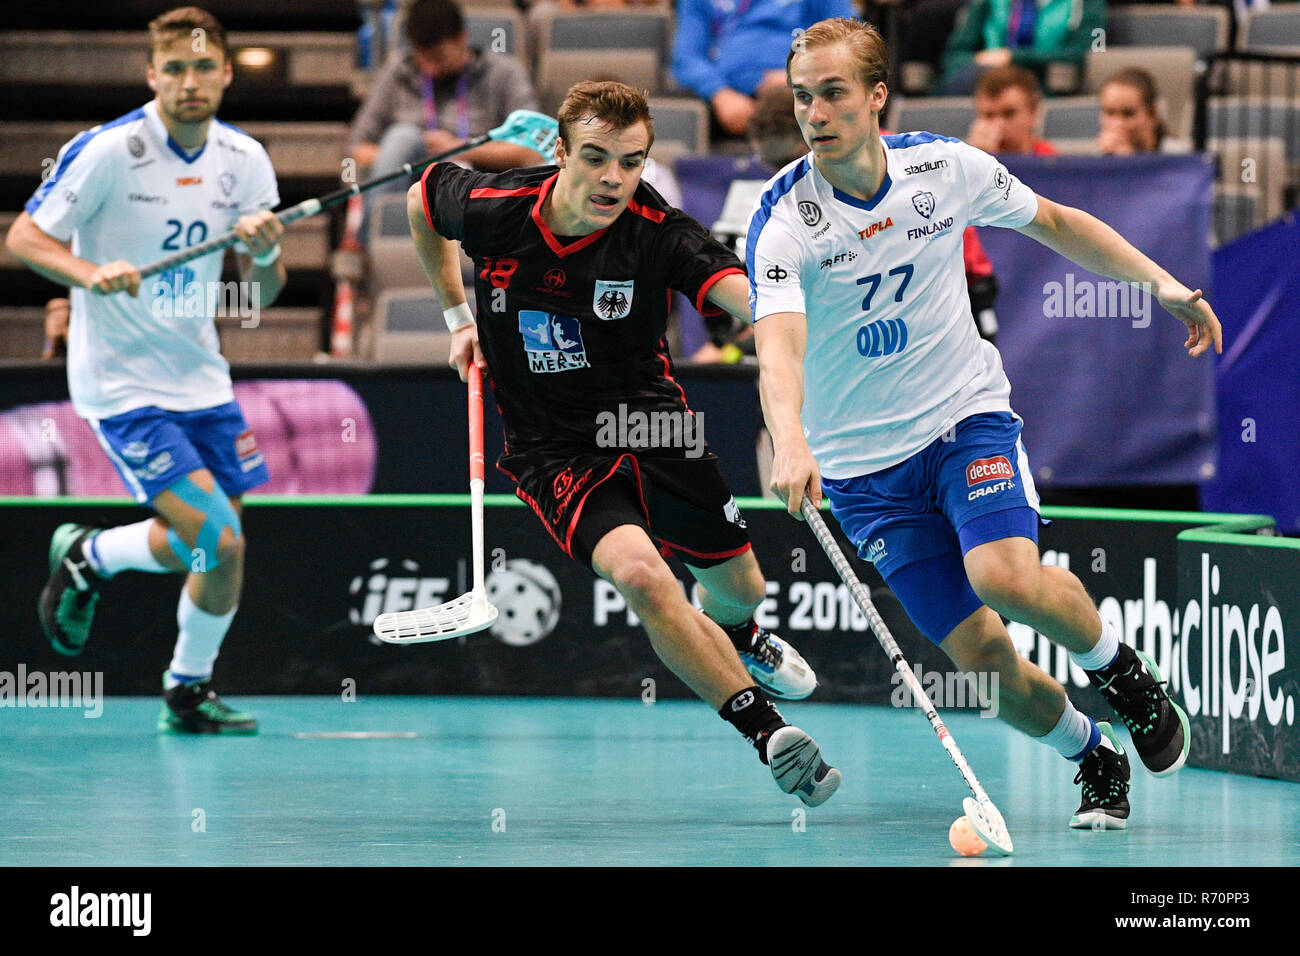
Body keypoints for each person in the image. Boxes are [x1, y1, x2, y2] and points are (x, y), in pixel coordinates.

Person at [749, 18, 1221, 828]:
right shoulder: (785, 220)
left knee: (1003, 576)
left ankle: (1125, 676)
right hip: (865, 474)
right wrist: (789, 438)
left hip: (962, 417)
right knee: (987, 668)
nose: (814, 113)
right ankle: (1092, 754)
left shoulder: (944, 167)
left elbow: (1058, 221)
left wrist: (1161, 283)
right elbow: (778, 350)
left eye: (832, 93)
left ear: (875, 96)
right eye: (802, 97)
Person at [408, 79, 839, 806]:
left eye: (631, 161)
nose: (614, 179)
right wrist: (457, 313)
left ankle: (740, 636)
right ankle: (767, 732)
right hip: (553, 445)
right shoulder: (496, 210)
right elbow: (423, 201)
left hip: (650, 423)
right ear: (560, 152)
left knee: (740, 589)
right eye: (597, 158)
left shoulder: (658, 231)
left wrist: (800, 325)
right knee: (643, 577)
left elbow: (749, 300)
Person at [5, 6, 287, 734]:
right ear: (152, 73)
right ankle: (101, 567)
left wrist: (259, 250)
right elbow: (25, 236)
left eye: (203, 67)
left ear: (226, 72)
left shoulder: (246, 160)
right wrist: (86, 273)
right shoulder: (108, 151)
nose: (189, 81)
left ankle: (181, 681)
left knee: (218, 550)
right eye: (174, 68)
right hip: (121, 383)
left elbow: (264, 293)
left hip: (202, 378)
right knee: (218, 537)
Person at [349, 0, 542, 203]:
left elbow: (532, 150)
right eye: (422, 58)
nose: (431, 68)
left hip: (483, 190)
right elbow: (357, 148)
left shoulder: (504, 73)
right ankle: (385, 231)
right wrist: (407, 156)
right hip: (411, 188)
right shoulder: (397, 72)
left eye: (439, 58)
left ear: (462, 39)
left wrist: (460, 148)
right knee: (402, 137)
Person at [670, 0, 855, 138]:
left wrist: (802, 76)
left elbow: (849, 42)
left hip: (802, 93)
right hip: (727, 100)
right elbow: (686, 58)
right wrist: (719, 93)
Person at [939, 0, 1106, 95]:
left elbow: (1093, 52)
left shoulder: (1088, 4)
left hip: (1044, 83)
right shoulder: (985, 4)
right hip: (984, 78)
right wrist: (980, 61)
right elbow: (955, 55)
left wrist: (1012, 57)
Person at [966, 65, 1059, 155]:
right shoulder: (966, 164)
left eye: (1009, 114)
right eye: (989, 116)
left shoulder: (1050, 162)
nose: (999, 125)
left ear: (1034, 112)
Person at [1097, 67, 1173, 155]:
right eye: (1109, 113)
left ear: (1153, 115)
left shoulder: (1180, 157)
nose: (1117, 123)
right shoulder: (1095, 157)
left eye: (1128, 114)